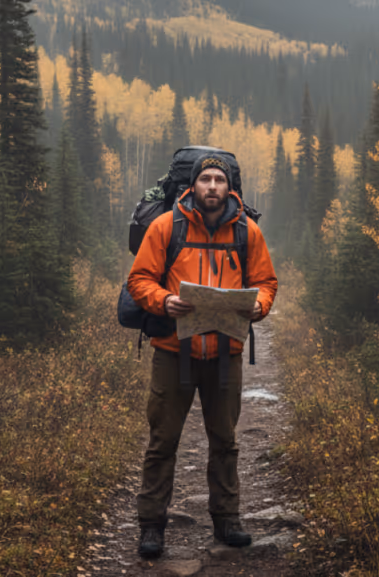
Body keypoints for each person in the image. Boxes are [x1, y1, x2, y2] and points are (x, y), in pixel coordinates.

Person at [126, 153, 278, 559]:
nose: (212, 186)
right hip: (173, 352)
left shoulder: (247, 232)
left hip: (226, 353)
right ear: (193, 185)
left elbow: (266, 282)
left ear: (231, 188)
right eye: (205, 179)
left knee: (225, 441)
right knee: (162, 442)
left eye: (219, 180)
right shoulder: (165, 226)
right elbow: (138, 279)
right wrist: (164, 301)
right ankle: (152, 527)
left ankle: (227, 521)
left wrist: (258, 307)